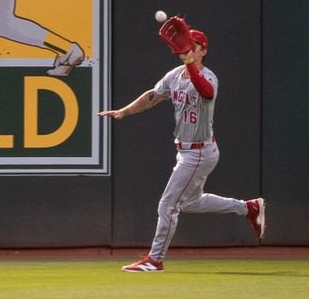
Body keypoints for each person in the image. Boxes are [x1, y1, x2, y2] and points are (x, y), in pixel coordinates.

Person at [98, 28, 265, 272]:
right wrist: (125, 111)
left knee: (168, 205)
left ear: (203, 51)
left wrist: (189, 63)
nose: (188, 47)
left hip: (199, 152)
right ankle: (249, 208)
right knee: (192, 202)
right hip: (186, 151)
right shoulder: (175, 75)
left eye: (194, 44)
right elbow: (153, 96)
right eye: (187, 43)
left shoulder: (209, 77)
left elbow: (206, 93)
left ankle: (155, 260)